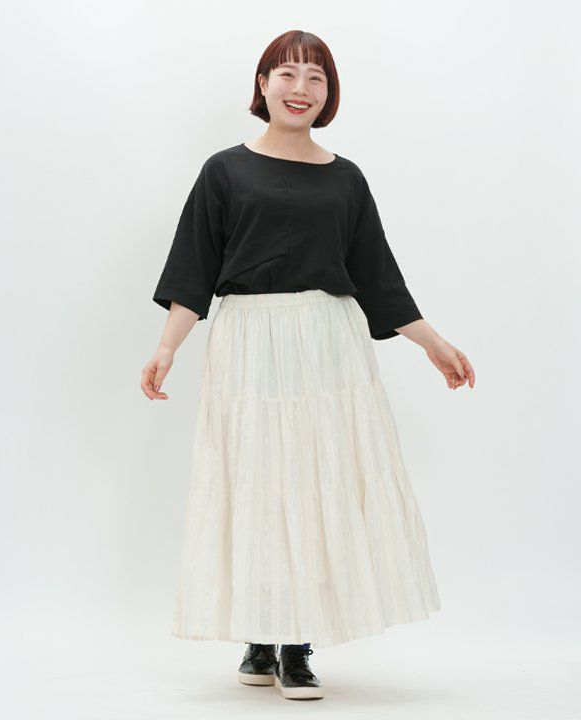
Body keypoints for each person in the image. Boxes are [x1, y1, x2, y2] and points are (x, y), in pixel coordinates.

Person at [141, 29, 475, 702]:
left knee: (318, 482)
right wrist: (167, 346)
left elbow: (378, 276)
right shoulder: (223, 172)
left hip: (327, 346)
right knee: (257, 482)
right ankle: (259, 637)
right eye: (288, 74)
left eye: (316, 77)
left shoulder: (346, 178)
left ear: (330, 92)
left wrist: (432, 342)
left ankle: (295, 647)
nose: (301, 88)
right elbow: (195, 269)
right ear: (262, 85)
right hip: (249, 342)